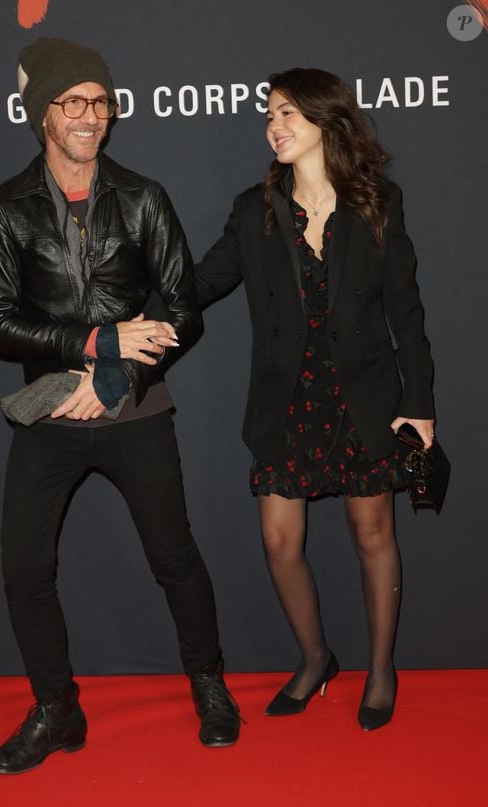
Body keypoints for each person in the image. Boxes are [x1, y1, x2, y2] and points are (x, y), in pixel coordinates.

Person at [0, 37, 240, 775]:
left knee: (174, 555)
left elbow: (185, 308)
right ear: (42, 116)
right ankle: (57, 706)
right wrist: (95, 341)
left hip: (135, 407)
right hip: (51, 410)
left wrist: (117, 374)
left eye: (100, 100)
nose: (90, 115)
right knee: (22, 568)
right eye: (72, 102)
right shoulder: (7, 208)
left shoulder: (144, 196)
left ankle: (208, 681)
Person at [195, 68, 435, 731]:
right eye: (269, 115)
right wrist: (139, 315)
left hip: (364, 397)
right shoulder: (254, 210)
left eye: (288, 114)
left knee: (372, 532)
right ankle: (315, 656)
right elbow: (203, 282)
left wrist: (420, 402)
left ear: (329, 122)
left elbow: (406, 313)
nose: (274, 126)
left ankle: (382, 667)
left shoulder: (377, 203)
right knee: (279, 540)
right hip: (287, 400)